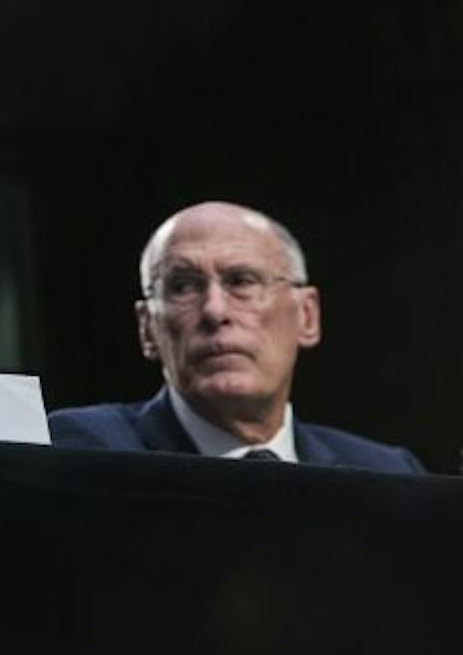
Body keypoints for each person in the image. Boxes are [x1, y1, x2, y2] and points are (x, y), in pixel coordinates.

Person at [48, 201, 418, 472]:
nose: (214, 311)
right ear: (147, 328)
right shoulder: (76, 450)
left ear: (307, 315)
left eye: (242, 281)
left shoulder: (390, 474)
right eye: (183, 286)